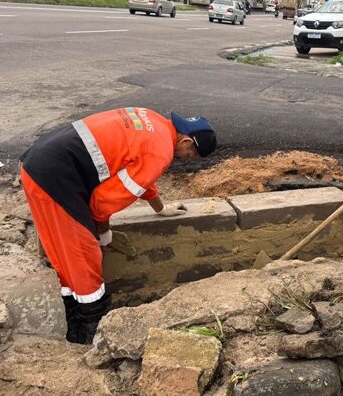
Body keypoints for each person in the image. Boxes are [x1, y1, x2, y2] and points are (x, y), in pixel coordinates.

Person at [19, 108, 217, 344]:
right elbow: (102, 204)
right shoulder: (160, 152)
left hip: (39, 164)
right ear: (187, 141)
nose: (187, 160)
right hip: (56, 179)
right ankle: (89, 331)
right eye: (191, 155)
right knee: (83, 258)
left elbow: (141, 176)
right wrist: (103, 233)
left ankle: (70, 321)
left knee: (63, 254)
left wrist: (160, 208)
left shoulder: (152, 120)